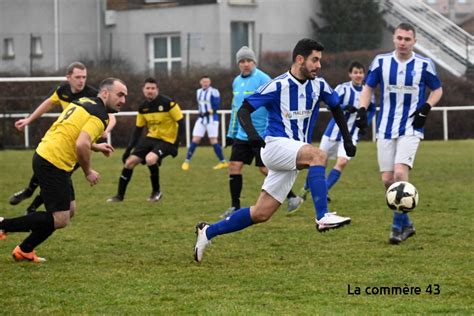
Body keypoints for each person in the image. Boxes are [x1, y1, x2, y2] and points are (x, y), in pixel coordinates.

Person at [194, 38, 356, 262]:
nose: (319, 65)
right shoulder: (277, 85)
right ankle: (323, 216)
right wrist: (253, 137)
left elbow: (336, 107)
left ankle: (207, 232)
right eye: (315, 60)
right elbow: (244, 110)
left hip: (294, 153)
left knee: (261, 213)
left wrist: (347, 140)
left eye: (320, 60)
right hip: (275, 146)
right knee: (318, 155)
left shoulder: (319, 85)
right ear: (300, 59)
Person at [0, 78, 127, 263]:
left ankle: (25, 250)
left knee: (70, 210)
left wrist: (97, 147)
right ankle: (4, 225)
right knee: (61, 219)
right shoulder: (100, 115)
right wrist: (88, 171)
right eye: (120, 94)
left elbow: (73, 133)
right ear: (105, 93)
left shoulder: (83, 101)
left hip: (49, 156)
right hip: (53, 162)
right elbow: (81, 144)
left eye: (125, 96)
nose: (123, 100)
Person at [356, 22, 443, 245]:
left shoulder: (424, 64)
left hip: (411, 127)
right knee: (387, 180)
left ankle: (396, 229)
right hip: (385, 127)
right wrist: (362, 110)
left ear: (414, 41)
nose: (403, 42)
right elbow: (367, 88)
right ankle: (408, 223)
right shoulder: (381, 62)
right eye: (399, 38)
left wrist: (426, 107)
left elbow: (437, 89)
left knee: (399, 173)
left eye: (407, 39)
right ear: (394, 38)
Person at [9, 61, 117, 214]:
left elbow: (111, 117)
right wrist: (28, 120)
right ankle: (29, 194)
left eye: (84, 77)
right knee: (52, 174)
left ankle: (32, 205)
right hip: (63, 140)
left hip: (79, 146)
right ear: (68, 77)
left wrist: (107, 130)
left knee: (58, 178)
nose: (81, 81)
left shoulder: (93, 95)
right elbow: (47, 104)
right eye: (78, 77)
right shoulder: (62, 90)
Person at [222, 46, 302, 218]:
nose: (245, 64)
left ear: (254, 62)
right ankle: (234, 206)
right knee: (234, 167)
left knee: (265, 169)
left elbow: (275, 103)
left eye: (248, 61)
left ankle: (293, 197)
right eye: (242, 61)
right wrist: (231, 133)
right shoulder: (236, 82)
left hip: (262, 134)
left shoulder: (264, 79)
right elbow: (236, 108)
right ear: (238, 64)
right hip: (242, 135)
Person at [297, 61, 376, 208]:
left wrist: (365, 123)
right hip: (332, 133)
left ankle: (322, 192)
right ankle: (305, 189)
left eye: (360, 72)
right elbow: (329, 105)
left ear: (364, 74)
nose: (358, 75)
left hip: (351, 135)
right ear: (350, 74)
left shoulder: (367, 91)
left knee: (342, 162)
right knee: (319, 162)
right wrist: (346, 107)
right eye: (355, 72)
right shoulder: (342, 88)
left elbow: (371, 110)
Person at [107, 78, 185, 203]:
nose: (150, 91)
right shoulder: (143, 107)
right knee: (129, 162)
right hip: (151, 139)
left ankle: (156, 192)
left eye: (153, 88)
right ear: (143, 90)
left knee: (150, 159)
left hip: (167, 140)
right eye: (147, 88)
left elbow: (181, 123)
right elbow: (138, 130)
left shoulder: (168, 103)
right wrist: (128, 150)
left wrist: (176, 145)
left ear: (157, 90)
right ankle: (119, 196)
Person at [181, 76, 228, 171]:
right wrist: (201, 113)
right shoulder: (198, 91)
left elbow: (216, 106)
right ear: (200, 82)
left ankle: (223, 162)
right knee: (195, 139)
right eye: (204, 81)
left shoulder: (214, 91)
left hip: (212, 119)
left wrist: (207, 112)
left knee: (213, 140)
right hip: (201, 119)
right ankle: (186, 161)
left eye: (207, 81)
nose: (205, 83)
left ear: (210, 82)